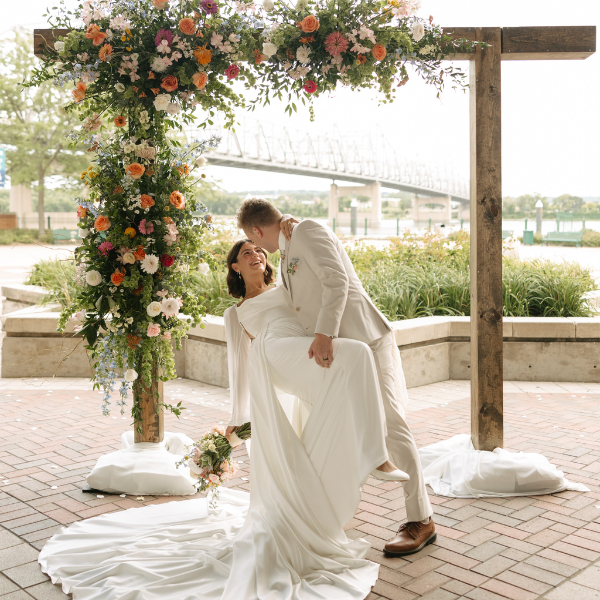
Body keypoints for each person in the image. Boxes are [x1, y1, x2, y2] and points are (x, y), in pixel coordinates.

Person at [37, 239, 410, 600]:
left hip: (304, 352)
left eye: (259, 250)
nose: (256, 255)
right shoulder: (235, 313)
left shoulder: (287, 286)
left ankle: (329, 493)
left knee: (341, 392)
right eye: (246, 253)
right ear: (234, 266)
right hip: (275, 352)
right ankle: (375, 454)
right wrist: (239, 418)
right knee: (356, 358)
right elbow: (239, 366)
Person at [237, 198, 436, 557]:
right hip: (343, 354)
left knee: (393, 424)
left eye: (254, 241)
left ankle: (420, 518)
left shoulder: (308, 230)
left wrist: (325, 333)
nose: (258, 248)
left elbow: (337, 280)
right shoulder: (287, 249)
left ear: (256, 230)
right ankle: (329, 503)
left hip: (365, 338)